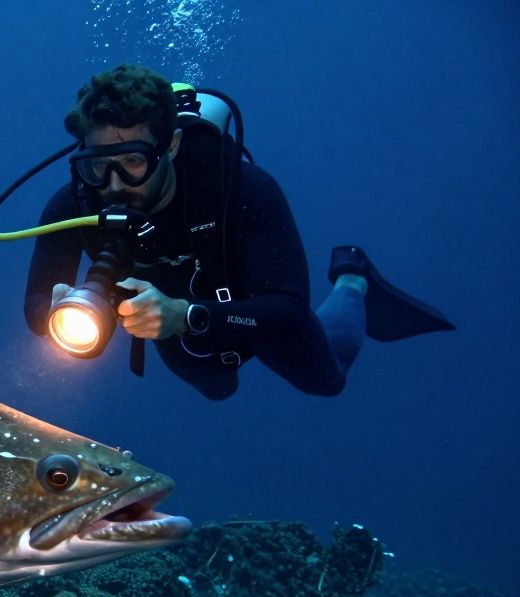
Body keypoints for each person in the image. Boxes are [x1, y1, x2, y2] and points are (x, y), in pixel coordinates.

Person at [23, 64, 453, 400]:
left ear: (169, 146)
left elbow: (287, 308)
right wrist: (58, 309)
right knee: (217, 387)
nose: (114, 184)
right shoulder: (75, 204)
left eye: (133, 162)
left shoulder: (239, 186)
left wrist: (189, 315)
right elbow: (36, 302)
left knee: (327, 381)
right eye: (99, 164)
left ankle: (352, 277)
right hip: (169, 321)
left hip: (251, 303)